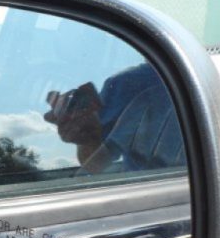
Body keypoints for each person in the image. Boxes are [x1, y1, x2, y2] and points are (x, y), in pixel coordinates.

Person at [44, 63, 186, 174]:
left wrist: (86, 138)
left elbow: (94, 166)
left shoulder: (127, 84)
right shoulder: (200, 80)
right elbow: (95, 157)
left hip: (138, 194)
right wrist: (87, 137)